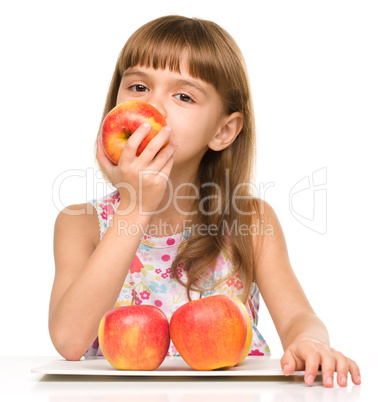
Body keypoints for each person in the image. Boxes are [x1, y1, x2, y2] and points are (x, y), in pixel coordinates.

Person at [49, 15, 361, 387]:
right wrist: (135, 206)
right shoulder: (81, 223)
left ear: (223, 130)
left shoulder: (247, 220)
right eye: (137, 86)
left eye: (183, 96)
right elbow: (69, 342)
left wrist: (309, 341)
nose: (154, 107)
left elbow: (297, 317)